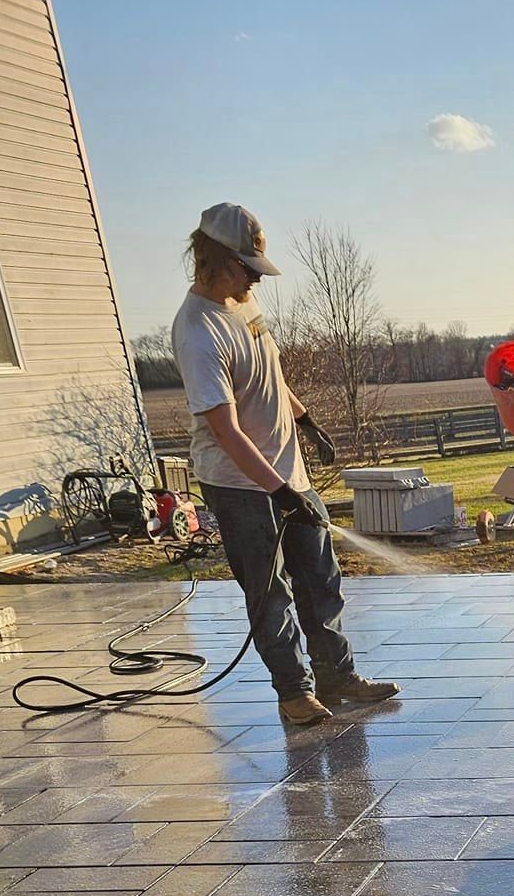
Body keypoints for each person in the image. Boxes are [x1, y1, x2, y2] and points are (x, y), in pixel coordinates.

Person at [171, 203, 399, 725]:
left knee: (321, 580)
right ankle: (294, 693)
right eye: (247, 267)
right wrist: (278, 492)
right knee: (269, 592)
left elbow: (269, 372)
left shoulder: (243, 303)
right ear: (215, 259)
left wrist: (306, 419)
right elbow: (225, 431)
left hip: (288, 473)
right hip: (241, 485)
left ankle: (337, 677)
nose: (257, 278)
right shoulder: (198, 332)